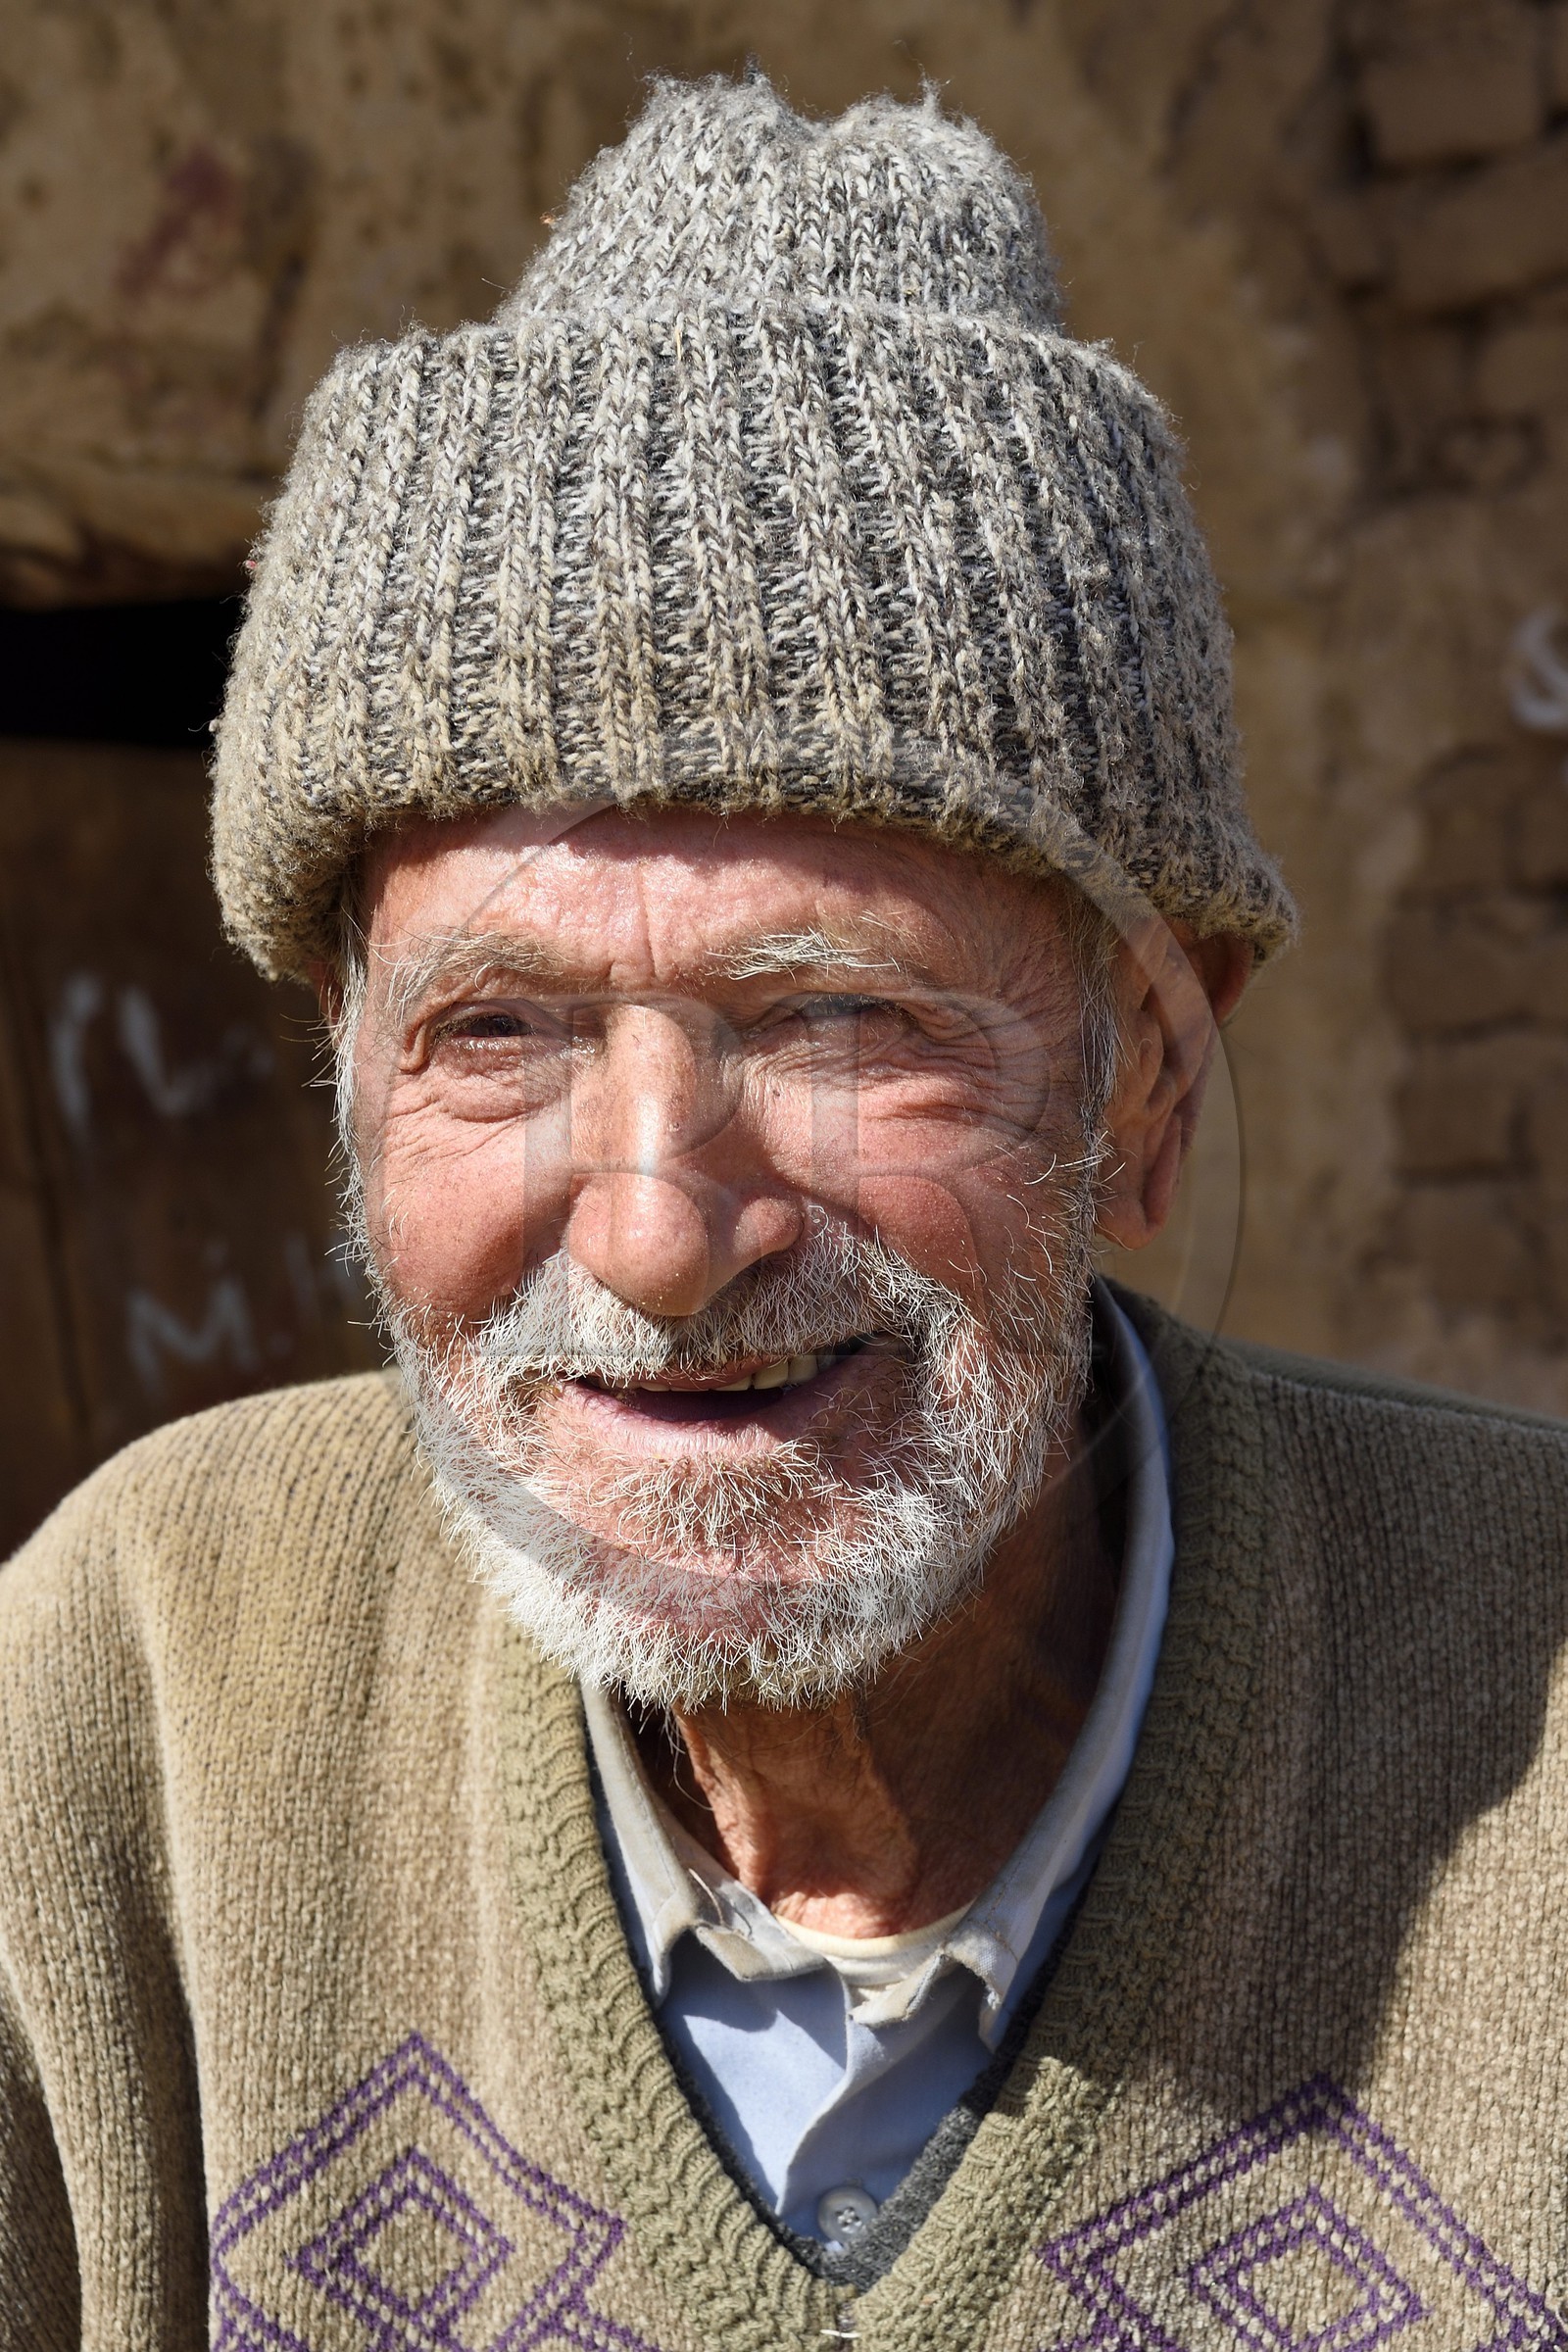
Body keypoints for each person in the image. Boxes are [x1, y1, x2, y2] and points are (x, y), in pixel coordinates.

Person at [3, 74, 1566, 2352]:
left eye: (831, 1019)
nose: (650, 1236)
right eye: (500, 1032)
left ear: (1148, 1071)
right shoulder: (120, 1704)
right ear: (348, 1058)